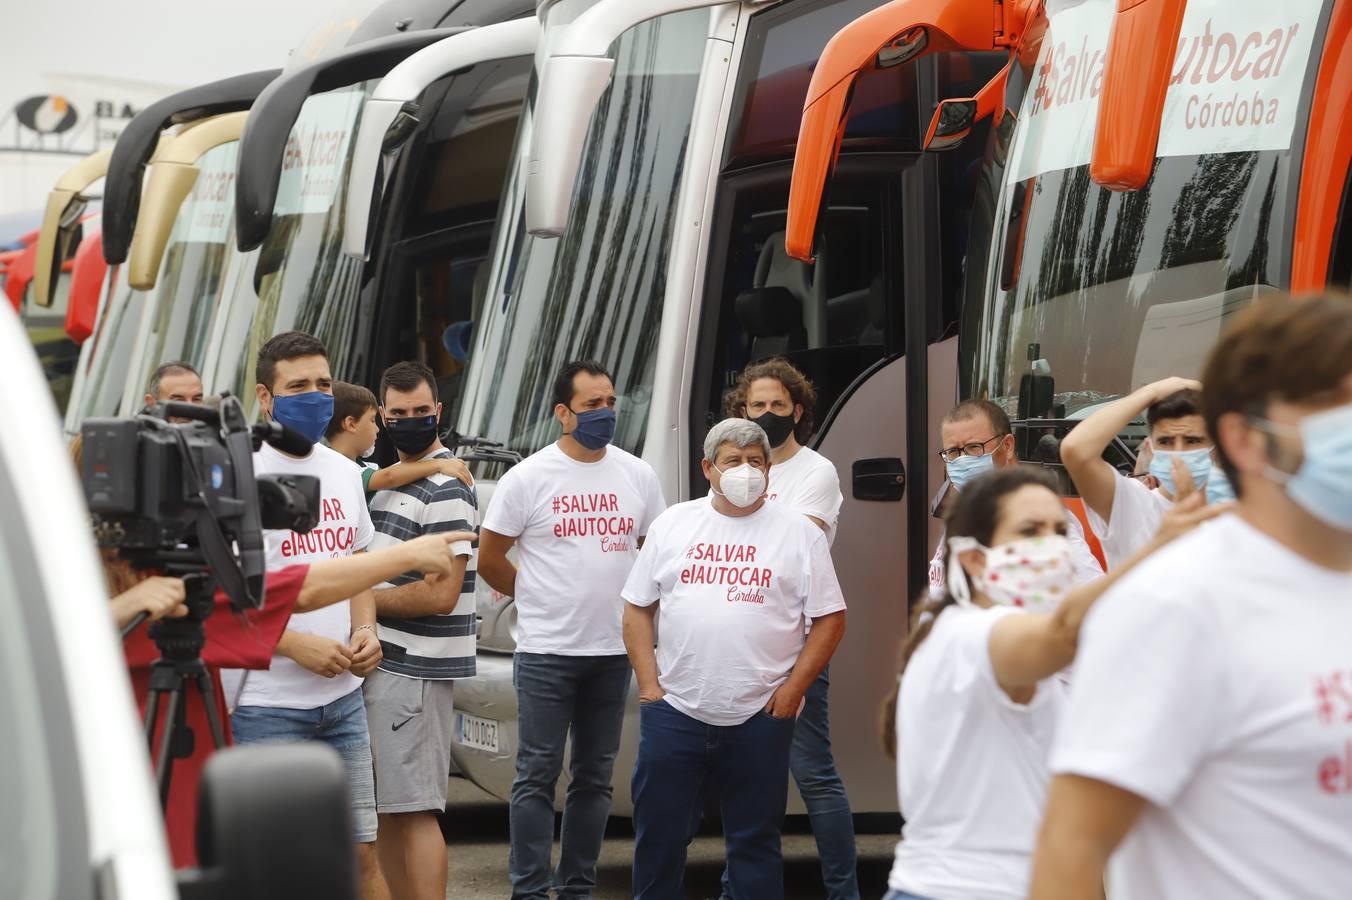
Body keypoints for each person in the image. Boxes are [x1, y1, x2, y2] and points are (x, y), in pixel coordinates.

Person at [1031, 293, 1352, 900]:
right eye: (1324, 405)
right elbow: (1072, 845)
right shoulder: (1170, 605)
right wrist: (1156, 389)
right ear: (1245, 439)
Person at [881, 467, 1218, 900]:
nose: (1051, 545)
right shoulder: (964, 635)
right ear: (974, 559)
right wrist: (1157, 551)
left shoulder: (1024, 657)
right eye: (1029, 530)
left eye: (1059, 530)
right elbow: (1068, 630)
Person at [622, 418, 847, 900]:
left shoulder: (798, 534)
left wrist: (792, 691)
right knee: (659, 841)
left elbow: (830, 619)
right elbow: (637, 608)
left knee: (755, 846)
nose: (745, 471)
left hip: (760, 715)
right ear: (708, 468)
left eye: (755, 462)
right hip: (676, 712)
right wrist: (649, 688)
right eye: (733, 461)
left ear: (769, 469)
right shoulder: (673, 524)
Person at [478, 360, 666, 900]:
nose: (605, 413)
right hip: (546, 651)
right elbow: (490, 558)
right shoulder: (528, 477)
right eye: (591, 405)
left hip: (612, 651)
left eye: (610, 401)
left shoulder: (638, 474)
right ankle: (531, 890)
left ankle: (578, 887)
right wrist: (535, 594)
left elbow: (654, 554)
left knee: (594, 780)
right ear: (563, 413)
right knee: (536, 775)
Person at [223, 331, 387, 900]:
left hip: (343, 704)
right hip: (264, 709)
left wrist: (366, 630)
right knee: (274, 872)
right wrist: (293, 644)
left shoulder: (343, 471)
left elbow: (358, 565)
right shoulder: (235, 471)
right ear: (266, 398)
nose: (316, 396)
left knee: (363, 856)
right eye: (299, 387)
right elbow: (220, 597)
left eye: (323, 383)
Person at [723, 358, 856, 900]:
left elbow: (788, 552)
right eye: (758, 406)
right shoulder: (733, 470)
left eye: (779, 405)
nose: (769, 414)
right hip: (739, 644)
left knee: (814, 774)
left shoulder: (815, 472)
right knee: (747, 780)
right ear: (742, 411)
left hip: (796, 643)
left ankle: (843, 893)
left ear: (798, 411)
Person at [363, 362, 478, 900]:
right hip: (386, 666)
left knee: (413, 811)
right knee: (387, 811)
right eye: (398, 413)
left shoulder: (447, 484)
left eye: (419, 412)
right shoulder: (391, 481)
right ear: (383, 417)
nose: (409, 421)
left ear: (438, 411)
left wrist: (360, 604)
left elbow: (441, 593)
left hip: (414, 667)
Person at [930, 399, 1103, 597]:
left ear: (1008, 446)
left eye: (973, 447)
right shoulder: (967, 512)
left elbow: (1094, 599)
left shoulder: (1037, 519)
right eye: (953, 452)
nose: (962, 460)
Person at [1060, 377, 1215, 568]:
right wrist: (1152, 392)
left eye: (1193, 441)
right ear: (1150, 448)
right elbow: (1076, 449)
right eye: (1166, 442)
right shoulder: (1133, 504)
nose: (1178, 454)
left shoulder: (1239, 513)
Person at [326, 380, 473, 494]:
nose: (378, 429)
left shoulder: (343, 465)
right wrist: (439, 464)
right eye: (372, 420)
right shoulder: (341, 470)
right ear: (351, 424)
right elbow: (390, 477)